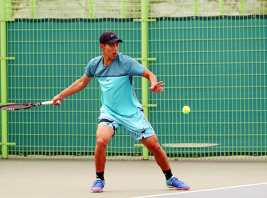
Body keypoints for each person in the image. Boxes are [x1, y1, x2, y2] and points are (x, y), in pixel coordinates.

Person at [52, 31, 190, 193]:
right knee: (101, 141)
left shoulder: (125, 62)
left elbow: (148, 74)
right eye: (111, 46)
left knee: (155, 147)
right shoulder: (94, 65)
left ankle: (170, 178)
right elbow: (82, 82)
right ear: (102, 47)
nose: (115, 48)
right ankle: (99, 179)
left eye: (117, 45)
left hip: (131, 113)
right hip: (109, 112)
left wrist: (153, 84)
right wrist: (61, 95)